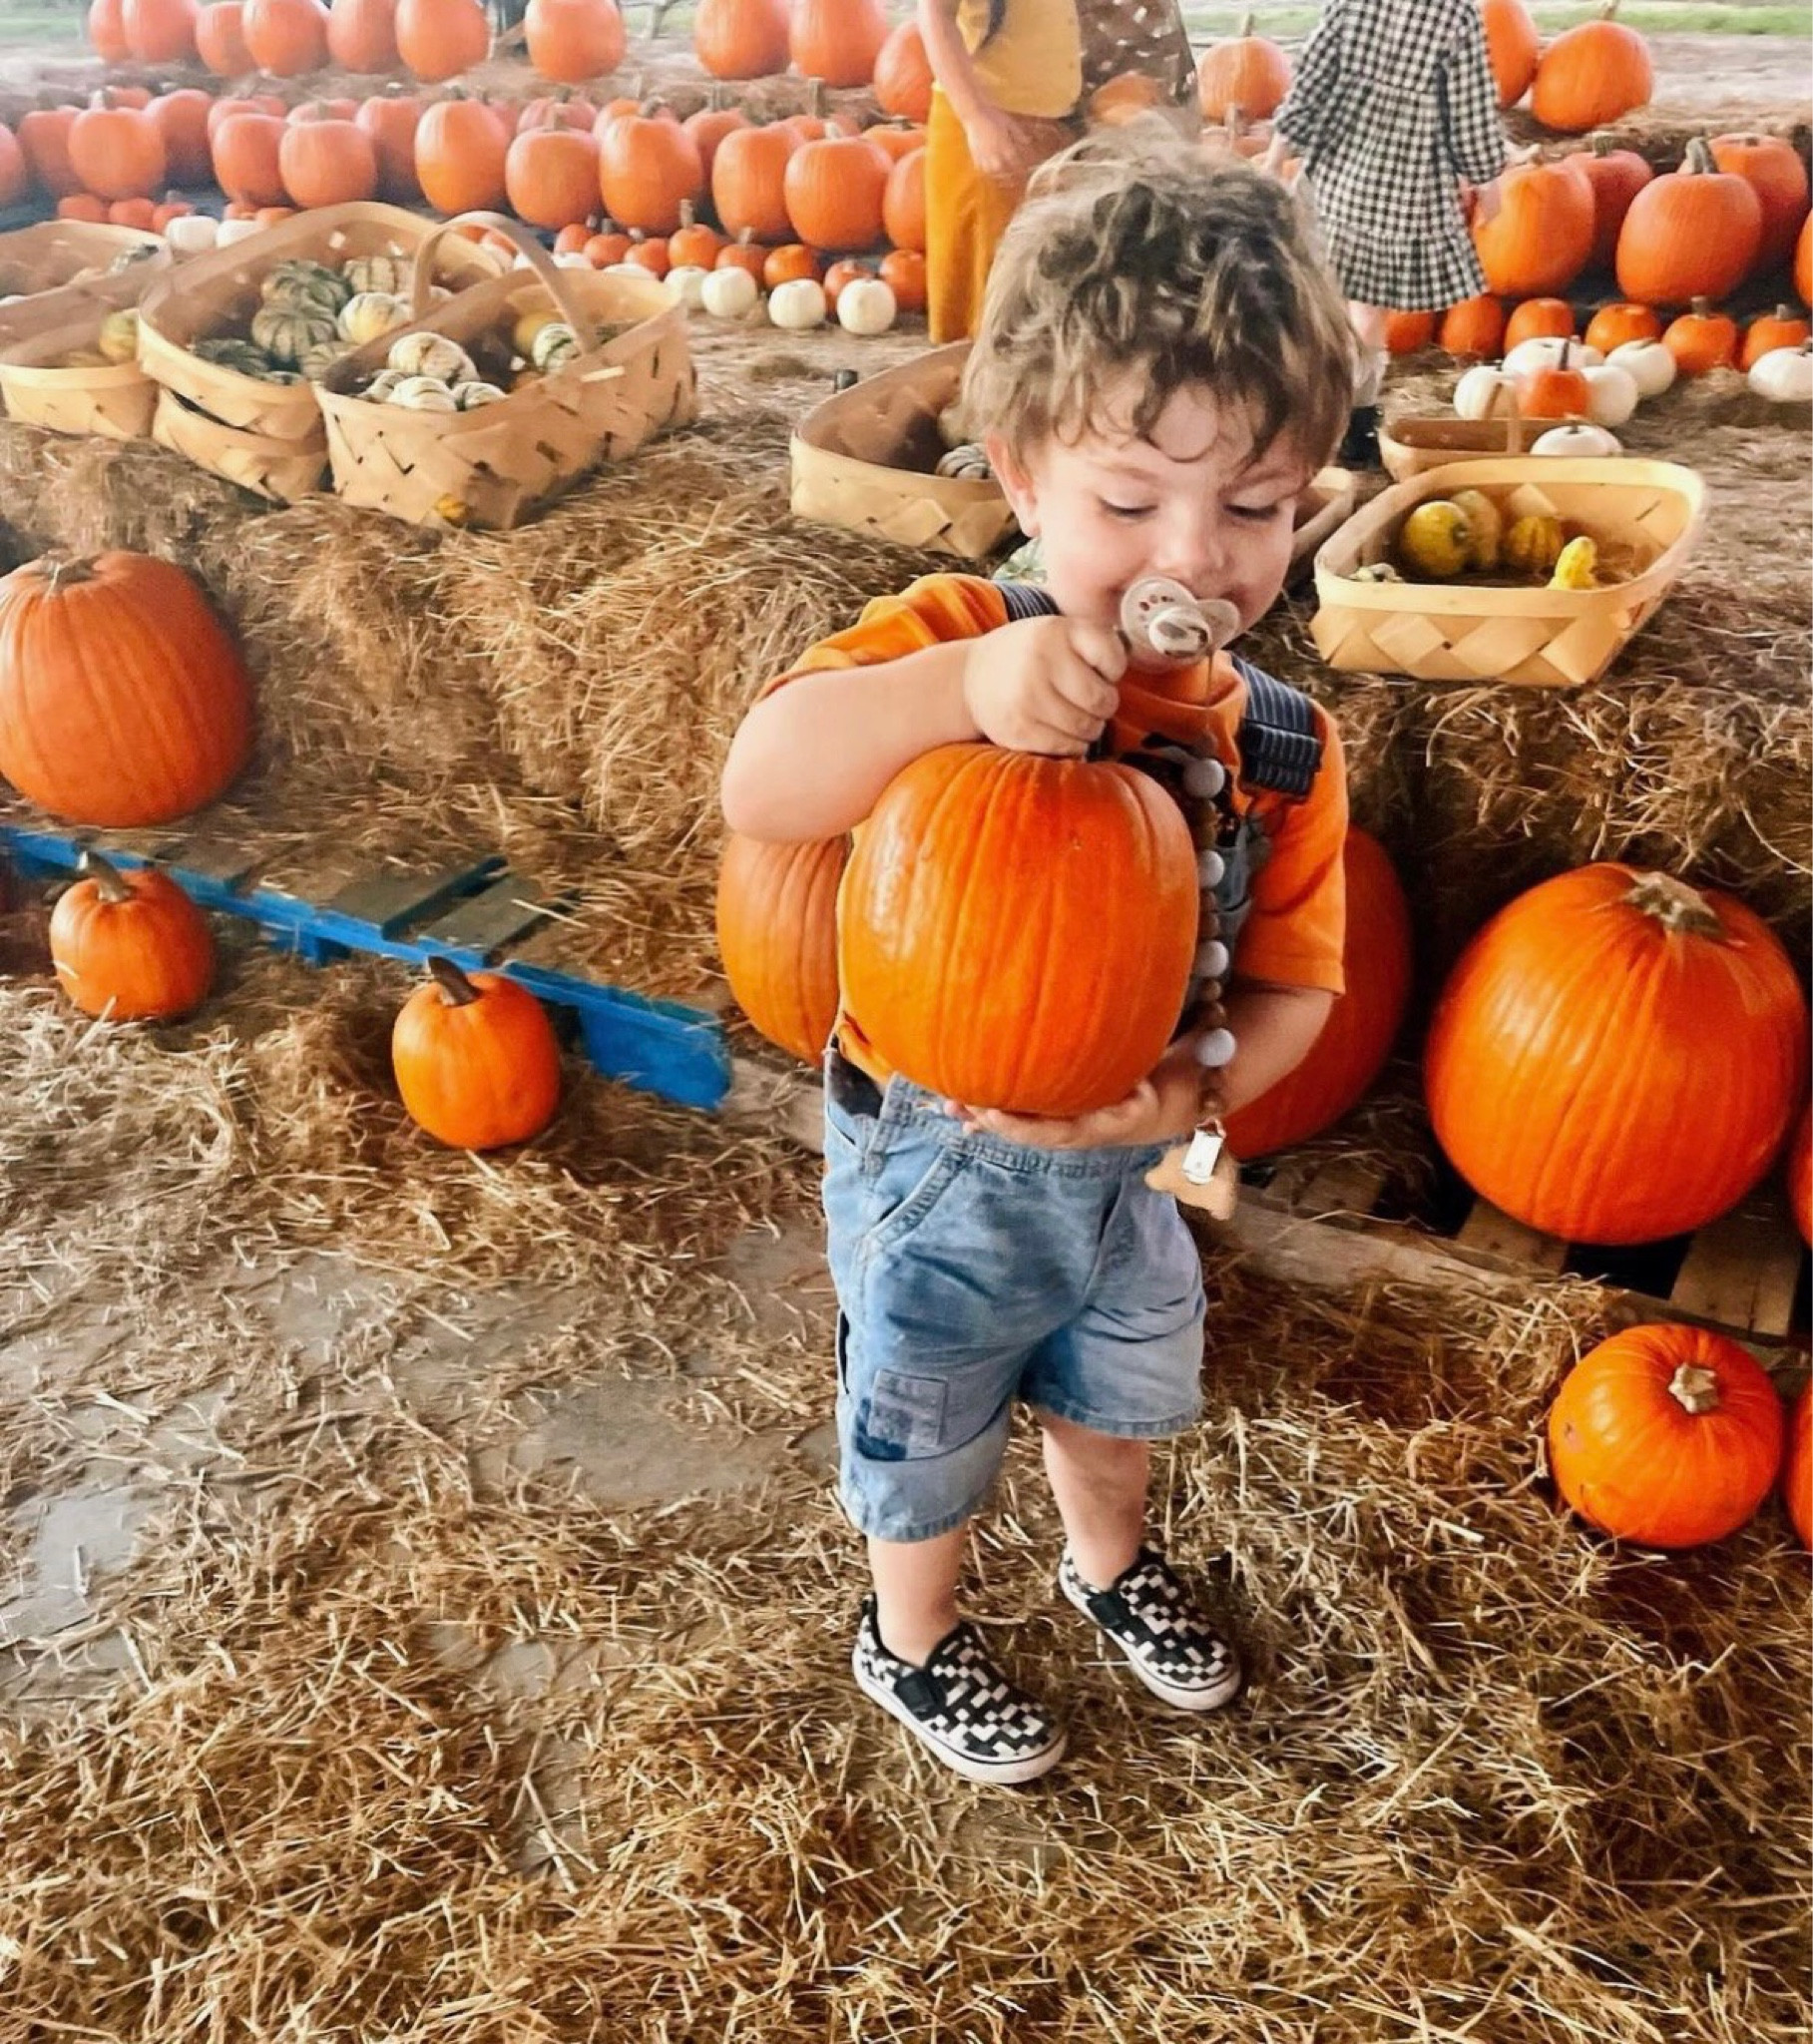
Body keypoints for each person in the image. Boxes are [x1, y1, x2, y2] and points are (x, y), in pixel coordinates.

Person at [720, 135, 1354, 1786]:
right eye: (1131, 498)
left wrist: (1198, 1084)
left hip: (1132, 1171)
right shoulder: (945, 638)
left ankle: (1105, 1562)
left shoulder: (1279, 744)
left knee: (1119, 1394)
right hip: (933, 1160)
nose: (1196, 555)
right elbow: (763, 784)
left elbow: (1296, 985)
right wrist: (960, 698)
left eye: (1256, 505)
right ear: (1018, 475)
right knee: (926, 1423)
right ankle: (909, 1635)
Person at [1261, 0, 1510, 466]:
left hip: (1335, 176)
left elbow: (1310, 82)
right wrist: (1487, 178)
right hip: (1399, 190)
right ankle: (1354, 427)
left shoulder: (1351, 4)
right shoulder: (1453, 15)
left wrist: (1277, 154)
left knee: (1322, 302)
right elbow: (1470, 113)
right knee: (1366, 316)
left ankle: (1306, 415)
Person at [917, 0, 1198, 343]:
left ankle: (1017, 377)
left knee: (1033, 278)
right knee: (986, 284)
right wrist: (976, 118)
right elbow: (935, 15)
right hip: (988, 132)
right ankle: (969, 377)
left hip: (1044, 124)